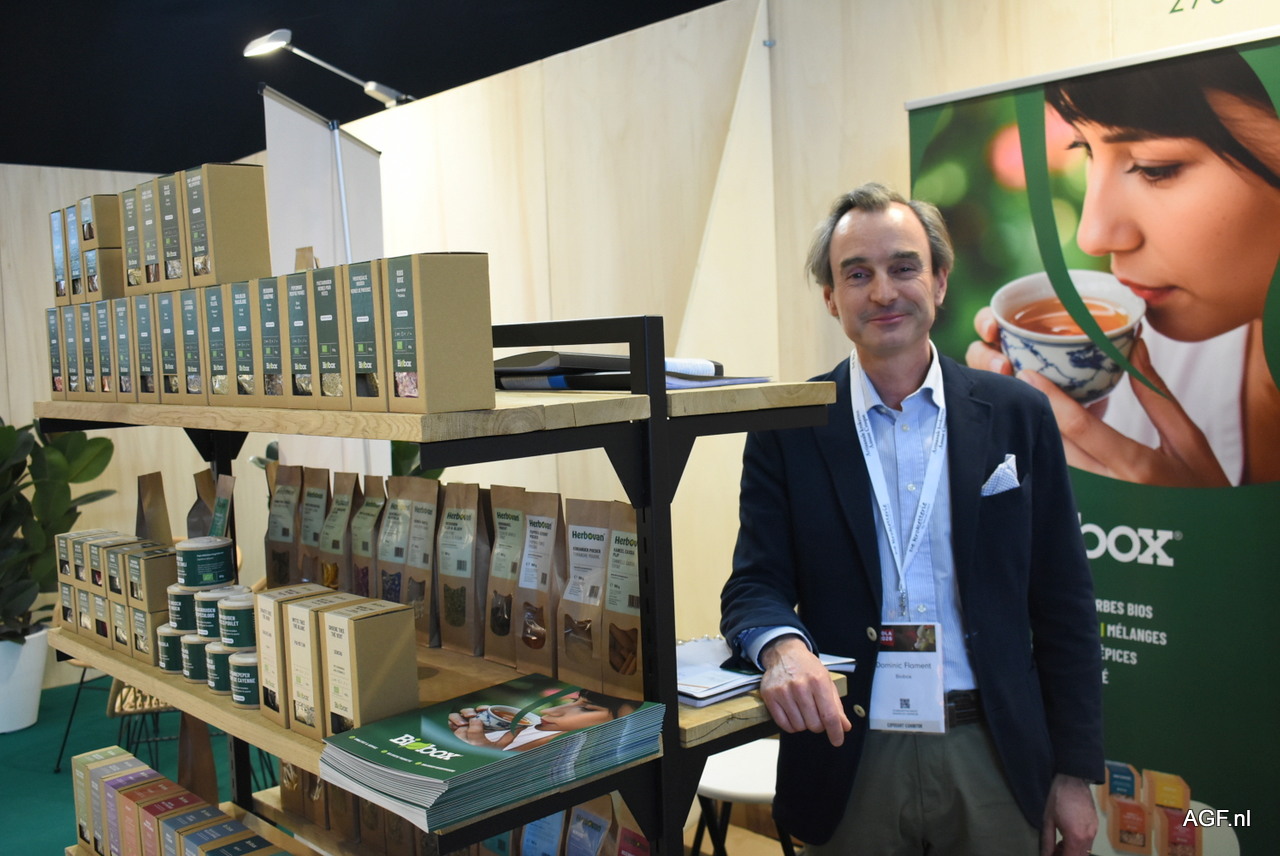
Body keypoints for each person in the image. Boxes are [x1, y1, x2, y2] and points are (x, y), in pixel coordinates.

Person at [720, 183, 1103, 855]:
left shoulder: (1018, 414)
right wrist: (783, 648)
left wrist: (1073, 772)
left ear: (940, 281)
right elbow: (755, 584)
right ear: (830, 297)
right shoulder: (788, 426)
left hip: (993, 750)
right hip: (850, 749)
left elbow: (1064, 602)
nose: (883, 292)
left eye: (903, 267)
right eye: (856, 274)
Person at [966, 48, 1280, 486]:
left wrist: (1204, 521)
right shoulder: (1143, 357)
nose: (1092, 236)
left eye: (1156, 168)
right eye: (1086, 150)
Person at [447, 690, 638, 752]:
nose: (548, 711)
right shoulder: (531, 731)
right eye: (573, 701)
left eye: (586, 708)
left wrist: (480, 754)